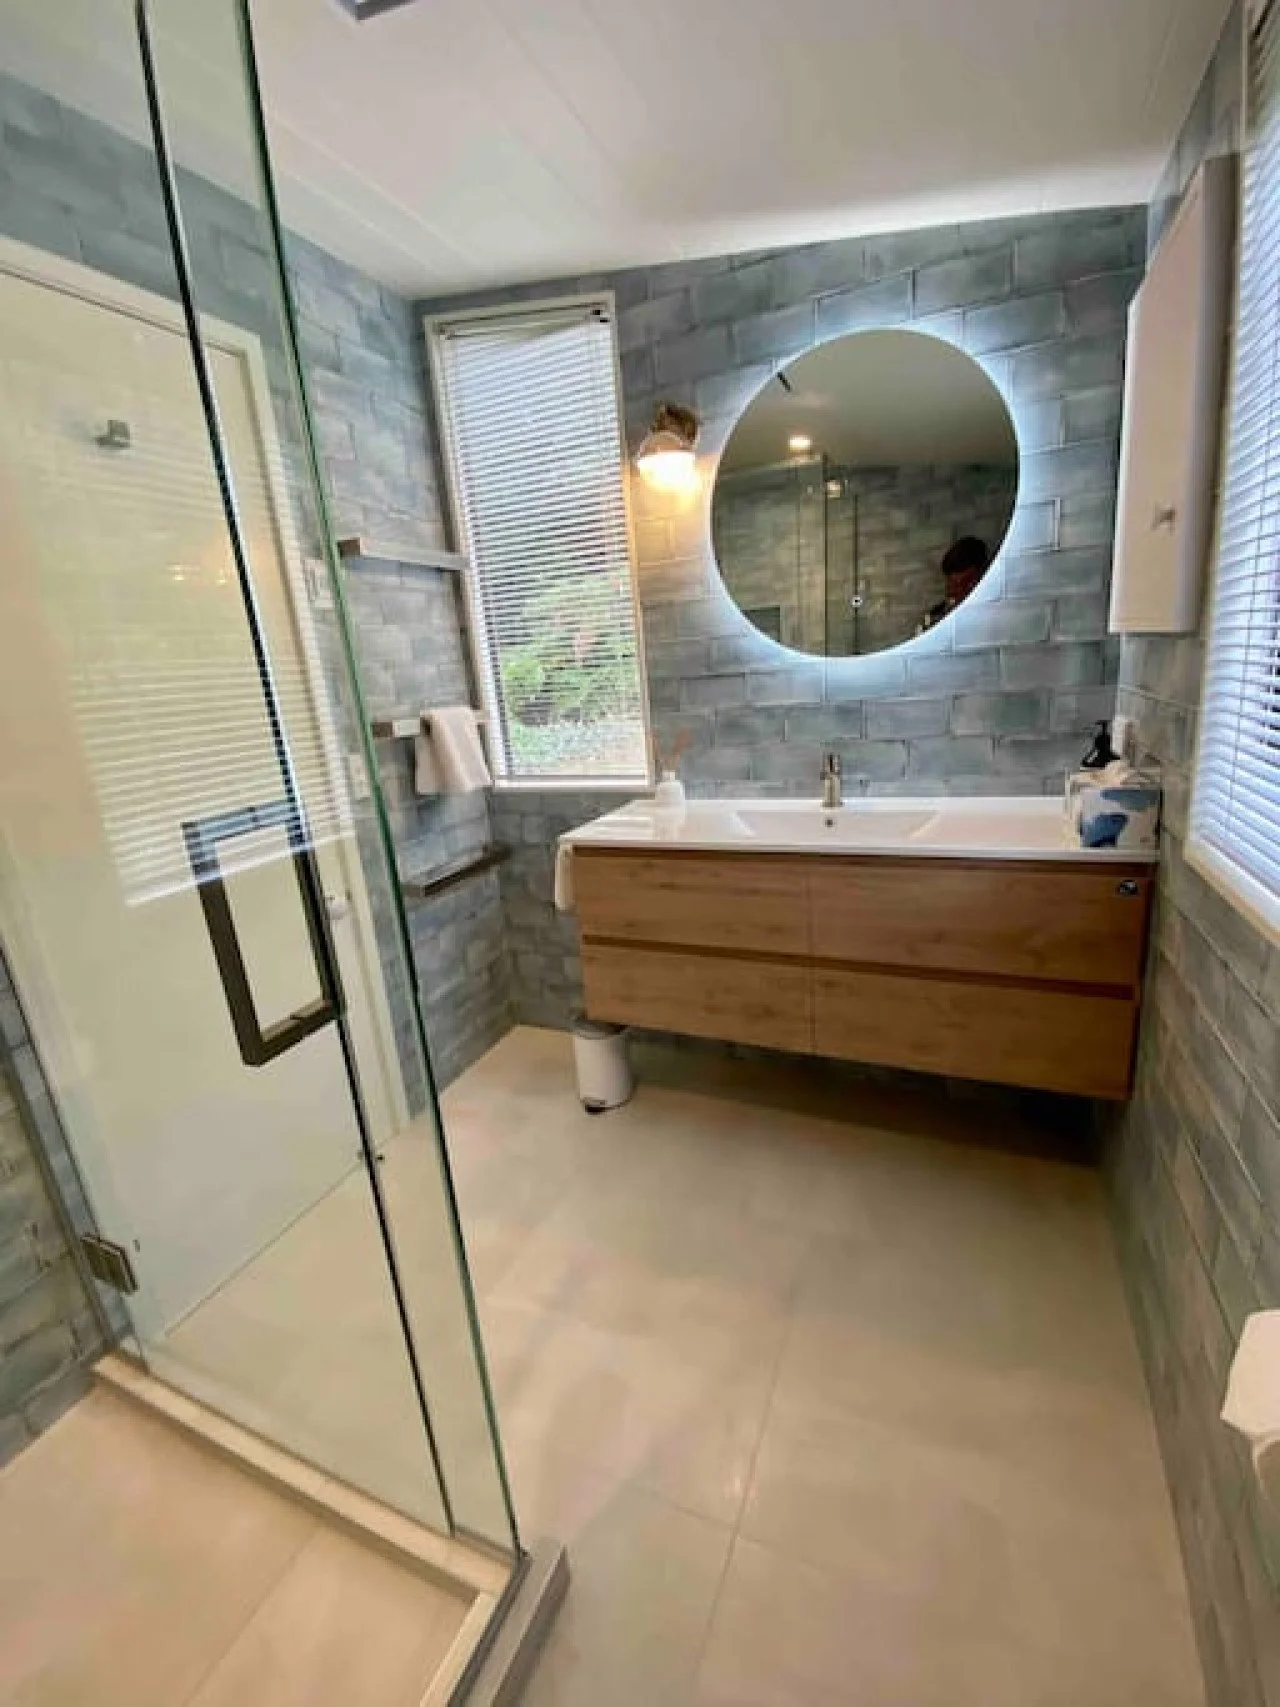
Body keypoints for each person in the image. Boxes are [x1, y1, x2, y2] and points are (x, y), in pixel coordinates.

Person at [917, 535, 991, 633]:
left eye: (967, 583)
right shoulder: (932, 619)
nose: (953, 591)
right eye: (953, 585)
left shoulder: (993, 615)